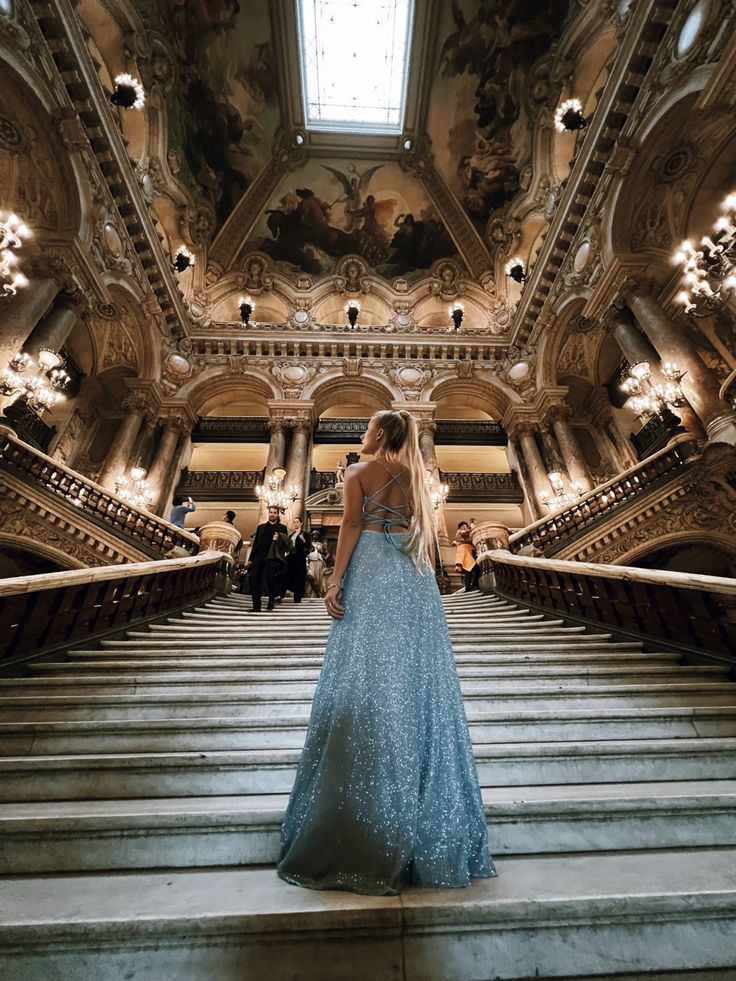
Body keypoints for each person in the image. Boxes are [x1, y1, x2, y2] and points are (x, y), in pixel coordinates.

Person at [278, 409, 495, 894]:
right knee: (414, 676)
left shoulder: (356, 471)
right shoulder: (420, 479)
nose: (362, 433)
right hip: (412, 576)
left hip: (374, 566)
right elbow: (427, 540)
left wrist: (335, 579)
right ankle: (415, 815)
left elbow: (352, 523)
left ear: (379, 434)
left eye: (367, 427)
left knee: (363, 669)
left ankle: (361, 818)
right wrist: (433, 587)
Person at [246, 505, 293, 612]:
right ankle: (256, 606)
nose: (272, 514)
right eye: (271, 512)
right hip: (259, 557)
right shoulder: (261, 527)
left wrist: (278, 539)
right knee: (254, 580)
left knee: (270, 580)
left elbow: (286, 546)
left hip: (272, 558)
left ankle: (271, 600)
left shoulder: (282, 528)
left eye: (274, 513)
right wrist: (250, 559)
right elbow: (256, 544)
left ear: (277, 514)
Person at [285, 515, 310, 603]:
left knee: (299, 577)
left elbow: (309, 546)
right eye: (294, 522)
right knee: (290, 576)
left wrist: (303, 540)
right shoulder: (291, 535)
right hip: (291, 558)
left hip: (300, 558)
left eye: (297, 522)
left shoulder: (305, 534)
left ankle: (298, 598)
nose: (296, 524)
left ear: (301, 523)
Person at [454, 521, 480, 592]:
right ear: (460, 527)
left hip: (468, 551)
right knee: (471, 569)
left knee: (470, 570)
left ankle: (470, 587)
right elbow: (466, 533)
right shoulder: (460, 532)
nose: (465, 527)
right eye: (463, 526)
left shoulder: (467, 533)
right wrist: (473, 527)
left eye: (466, 526)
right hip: (464, 551)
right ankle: (470, 587)